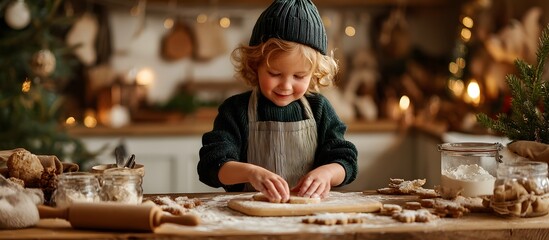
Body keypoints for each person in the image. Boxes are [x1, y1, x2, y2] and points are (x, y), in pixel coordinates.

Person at [198, 0, 358, 203]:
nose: (286, 85)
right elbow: (211, 165)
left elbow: (346, 161)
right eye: (274, 73)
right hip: (251, 217)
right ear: (255, 65)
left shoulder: (320, 109)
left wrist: (328, 173)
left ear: (314, 74)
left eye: (299, 76)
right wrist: (251, 173)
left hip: (307, 216)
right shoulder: (235, 110)